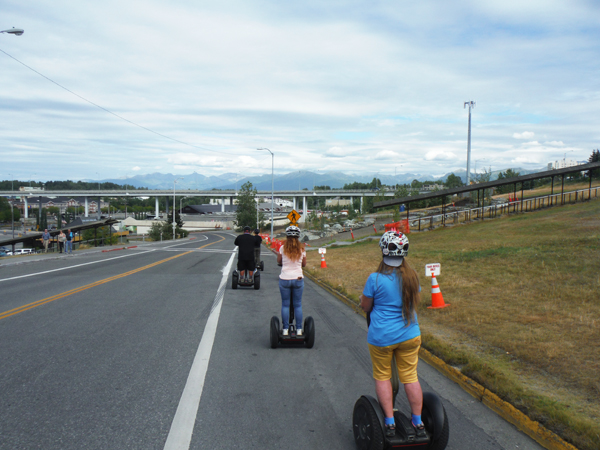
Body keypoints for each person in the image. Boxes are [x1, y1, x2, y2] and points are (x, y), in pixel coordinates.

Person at [359, 231, 425, 438]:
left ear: (383, 251)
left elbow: (365, 306)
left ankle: (389, 422)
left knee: (382, 376)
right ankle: (418, 421)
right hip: (410, 335)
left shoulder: (375, 278)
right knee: (410, 377)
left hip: (382, 338)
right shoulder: (412, 276)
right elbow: (415, 301)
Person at [277, 225, 306, 336]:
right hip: (298, 279)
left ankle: (285, 329)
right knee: (297, 304)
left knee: (285, 304)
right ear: (298, 237)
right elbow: (304, 264)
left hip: (285, 278)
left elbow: (279, 261)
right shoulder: (302, 249)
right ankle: (299, 330)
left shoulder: (282, 248)